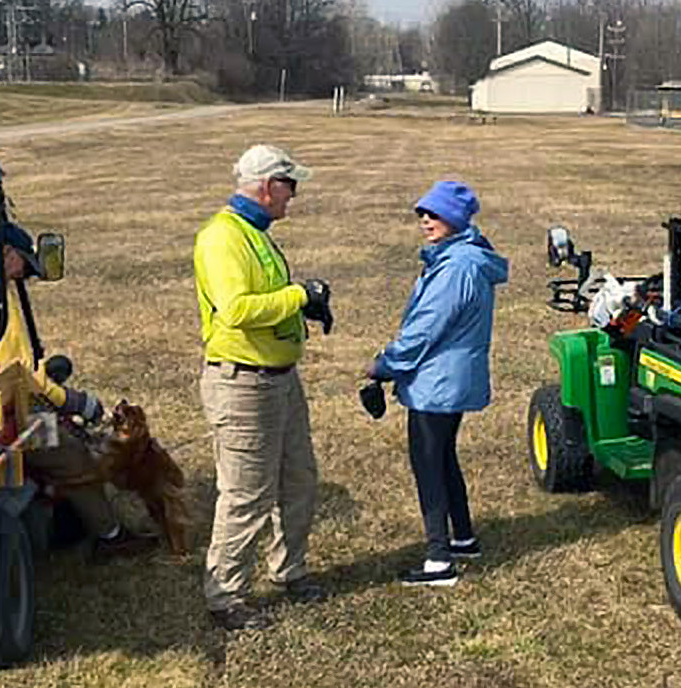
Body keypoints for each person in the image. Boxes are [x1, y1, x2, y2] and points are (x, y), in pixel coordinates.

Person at [0, 220, 157, 563]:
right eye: (24, 265)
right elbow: (21, 372)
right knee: (73, 456)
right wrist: (72, 401)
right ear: (7, 253)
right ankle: (111, 537)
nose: (23, 275)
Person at [192, 145, 334, 631]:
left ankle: (288, 569)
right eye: (290, 186)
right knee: (247, 494)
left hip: (280, 380)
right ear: (267, 186)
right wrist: (299, 295)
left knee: (299, 480)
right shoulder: (222, 239)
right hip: (243, 385)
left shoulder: (256, 234)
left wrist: (303, 309)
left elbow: (265, 300)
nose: (294, 196)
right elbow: (235, 310)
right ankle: (226, 596)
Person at [368, 181, 508, 587]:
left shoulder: (457, 267)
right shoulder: (465, 257)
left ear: (457, 219)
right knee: (444, 456)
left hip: (438, 382)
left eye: (435, 214)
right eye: (422, 214)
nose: (426, 221)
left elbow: (425, 329)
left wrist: (384, 366)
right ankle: (463, 538)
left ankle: (438, 561)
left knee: (428, 464)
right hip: (450, 379)